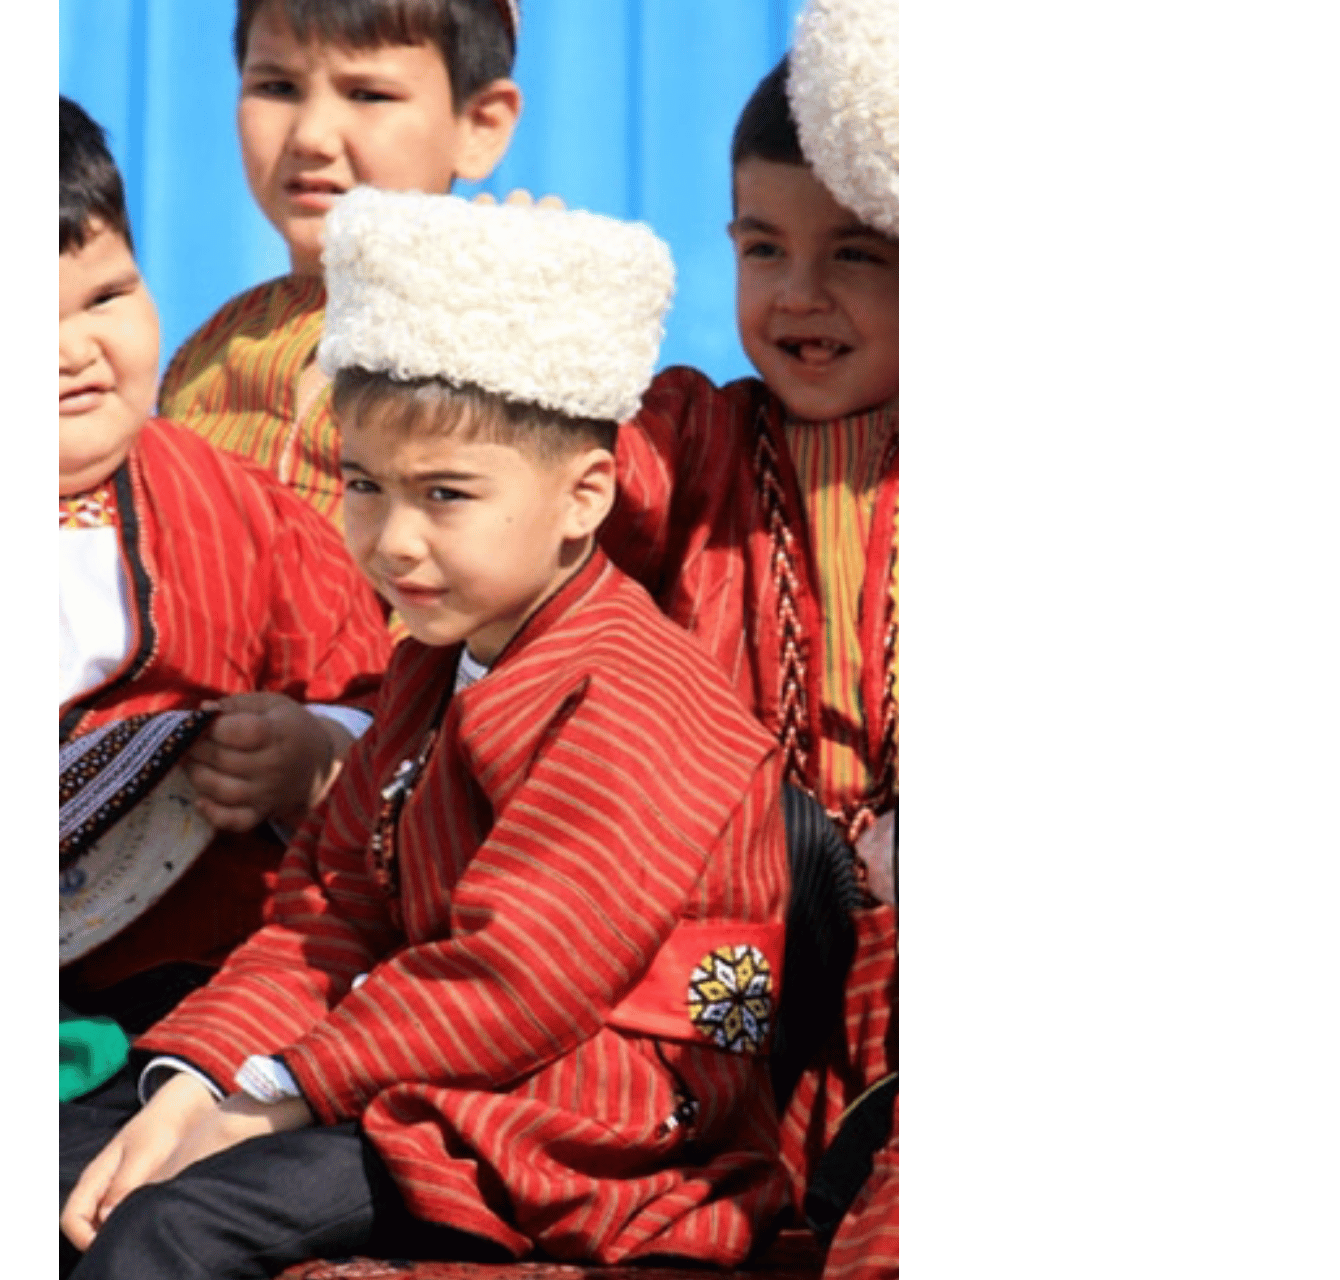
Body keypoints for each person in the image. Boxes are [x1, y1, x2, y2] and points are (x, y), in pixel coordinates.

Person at [61, 188, 793, 1280]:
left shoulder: (637, 700)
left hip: (576, 1127)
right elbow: (328, 908)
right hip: (416, 1072)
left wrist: (270, 1100)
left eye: (446, 493)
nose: (393, 539)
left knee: (168, 1230)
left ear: (585, 495)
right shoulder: (430, 666)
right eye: (364, 483)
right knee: (77, 1162)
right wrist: (197, 1080)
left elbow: (519, 973)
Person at [602, 4, 901, 1276]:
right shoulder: (696, 438)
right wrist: (544, 342)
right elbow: (576, 492)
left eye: (862, 254)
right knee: (689, 1112)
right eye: (762, 245)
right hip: (735, 939)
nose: (798, 295)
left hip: (903, 938)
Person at [58, 95, 392, 1037]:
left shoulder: (239, 511)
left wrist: (306, 755)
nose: (77, 352)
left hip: (207, 987)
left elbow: (366, 694)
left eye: (107, 297)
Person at [158, 0, 524, 524]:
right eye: (277, 88)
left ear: (479, 126)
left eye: (368, 94)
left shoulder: (507, 345)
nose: (310, 136)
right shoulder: (214, 351)